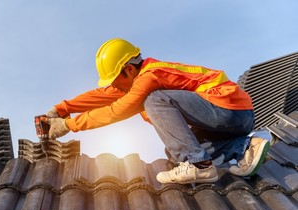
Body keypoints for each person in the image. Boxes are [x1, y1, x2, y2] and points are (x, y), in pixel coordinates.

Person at [43, 38, 270, 184]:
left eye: (114, 79)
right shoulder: (136, 79)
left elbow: (117, 110)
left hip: (227, 108)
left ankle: (199, 166)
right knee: (176, 151)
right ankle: (244, 147)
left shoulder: (149, 78)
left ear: (129, 70)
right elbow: (101, 95)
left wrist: (68, 125)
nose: (112, 86)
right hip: (231, 117)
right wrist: (61, 109)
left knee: (154, 101)